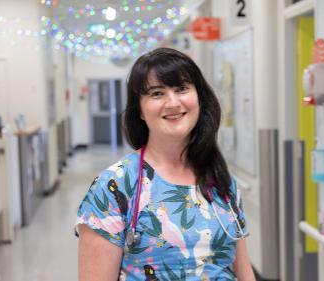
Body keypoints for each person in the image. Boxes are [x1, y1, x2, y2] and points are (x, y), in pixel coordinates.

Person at [75, 47, 255, 281]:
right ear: (139, 110)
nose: (172, 103)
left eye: (181, 89)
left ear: (198, 97)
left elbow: (242, 270)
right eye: (157, 93)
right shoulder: (115, 187)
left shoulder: (218, 177)